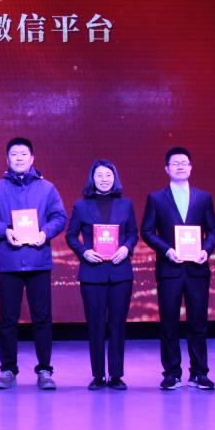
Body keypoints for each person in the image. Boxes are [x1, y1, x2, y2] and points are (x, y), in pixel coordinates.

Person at [0, 137, 68, 390]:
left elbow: (60, 217)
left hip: (39, 261)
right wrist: (5, 230)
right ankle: (8, 369)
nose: (19, 158)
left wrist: (45, 233)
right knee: (8, 319)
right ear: (7, 159)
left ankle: (45, 370)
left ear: (32, 159)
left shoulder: (47, 188)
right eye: (14, 154)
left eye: (23, 154)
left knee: (42, 318)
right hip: (10, 261)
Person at [140, 147, 215, 391]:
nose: (180, 166)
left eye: (184, 162)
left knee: (198, 323)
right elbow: (147, 231)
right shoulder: (156, 198)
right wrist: (167, 250)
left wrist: (206, 250)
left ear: (191, 167)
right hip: (169, 269)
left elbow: (213, 229)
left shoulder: (203, 197)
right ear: (167, 169)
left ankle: (199, 373)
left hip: (197, 269)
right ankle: (172, 373)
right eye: (175, 163)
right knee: (169, 324)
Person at [65, 159, 138, 390]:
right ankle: (98, 375)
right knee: (95, 325)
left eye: (108, 175)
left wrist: (126, 248)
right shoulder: (81, 205)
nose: (104, 179)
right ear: (92, 179)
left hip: (120, 273)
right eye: (100, 175)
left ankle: (116, 375)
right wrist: (84, 252)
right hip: (92, 273)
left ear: (114, 178)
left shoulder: (126, 204)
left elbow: (133, 233)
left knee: (118, 325)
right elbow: (70, 235)